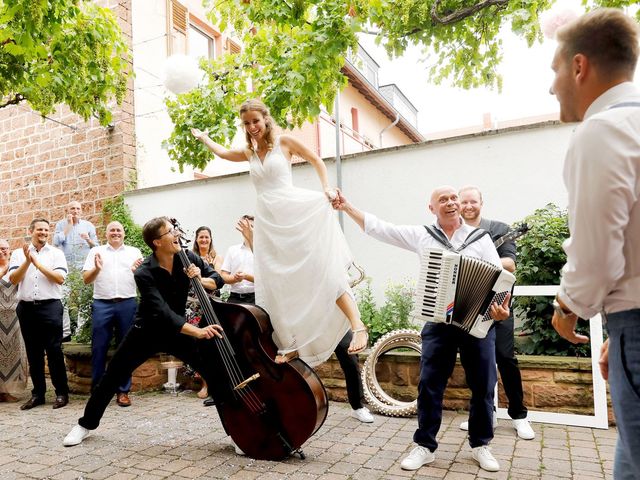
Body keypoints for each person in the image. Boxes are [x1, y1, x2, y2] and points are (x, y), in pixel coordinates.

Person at [333, 186, 510, 472]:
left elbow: (500, 279)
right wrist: (348, 207)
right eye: (444, 200)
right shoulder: (423, 235)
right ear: (432, 208)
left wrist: (501, 308)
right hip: (438, 324)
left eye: (454, 198)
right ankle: (425, 446)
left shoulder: (481, 238)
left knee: (483, 385)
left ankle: (480, 445)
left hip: (476, 324)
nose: (451, 203)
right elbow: (381, 229)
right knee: (429, 386)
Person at [191, 99, 367, 365]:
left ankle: (357, 325)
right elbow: (224, 153)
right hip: (269, 223)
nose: (252, 127)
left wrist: (326, 188)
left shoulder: (284, 143)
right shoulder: (249, 154)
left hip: (294, 212)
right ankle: (292, 342)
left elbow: (316, 160)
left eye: (255, 121)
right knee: (280, 283)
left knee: (322, 267)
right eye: (247, 123)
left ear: (265, 119)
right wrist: (205, 138)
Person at [548, 9, 640, 479]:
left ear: (580, 66)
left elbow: (597, 258)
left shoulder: (601, 131)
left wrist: (569, 306)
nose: (552, 86)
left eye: (555, 70)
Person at [63, 216, 226, 447]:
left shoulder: (187, 257)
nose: (176, 234)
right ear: (157, 242)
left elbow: (218, 279)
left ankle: (237, 431)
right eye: (170, 231)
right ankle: (84, 425)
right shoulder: (143, 272)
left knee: (215, 374)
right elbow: (161, 312)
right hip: (147, 331)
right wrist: (198, 332)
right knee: (112, 377)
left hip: (178, 332)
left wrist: (200, 278)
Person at [458, 186, 535, 440]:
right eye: (464, 202)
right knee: (475, 362)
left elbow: (510, 264)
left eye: (473, 202)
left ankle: (519, 416)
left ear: (481, 203)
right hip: (469, 303)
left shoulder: (499, 229)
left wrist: (474, 258)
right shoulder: (455, 232)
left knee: (504, 356)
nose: (468, 206)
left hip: (498, 303)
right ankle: (484, 414)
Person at [8, 219, 70, 410]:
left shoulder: (56, 253)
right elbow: (13, 279)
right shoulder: (19, 254)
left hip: (50, 306)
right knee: (33, 353)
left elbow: (59, 278)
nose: (43, 232)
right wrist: (28, 261)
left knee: (54, 351)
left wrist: (38, 264)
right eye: (39, 229)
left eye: (46, 229)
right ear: (31, 231)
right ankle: (38, 394)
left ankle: (61, 393)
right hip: (26, 308)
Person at [82, 221, 143, 408]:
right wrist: (97, 268)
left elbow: (145, 278)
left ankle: (123, 391)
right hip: (102, 304)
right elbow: (86, 279)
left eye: (118, 230)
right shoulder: (96, 252)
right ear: (106, 233)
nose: (115, 233)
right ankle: (98, 390)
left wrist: (137, 272)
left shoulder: (134, 252)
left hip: (127, 303)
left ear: (123, 234)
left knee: (126, 349)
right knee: (99, 348)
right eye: (112, 230)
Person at [186, 225, 222, 401]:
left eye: (207, 237)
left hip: (212, 303)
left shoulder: (217, 258)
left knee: (213, 341)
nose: (204, 240)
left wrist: (204, 275)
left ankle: (218, 383)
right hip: (193, 304)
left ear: (211, 239)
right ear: (196, 239)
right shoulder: (190, 259)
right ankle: (205, 383)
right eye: (201, 237)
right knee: (197, 343)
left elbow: (219, 278)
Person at [0, 239, 28, 402]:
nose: (3, 251)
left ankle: (7, 391)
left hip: (14, 317)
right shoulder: (5, 270)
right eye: (0, 248)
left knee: (12, 355)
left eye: (5, 248)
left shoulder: (15, 267)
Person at [220, 215, 256, 305]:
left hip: (254, 298)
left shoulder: (260, 251)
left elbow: (264, 279)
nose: (248, 229)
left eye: (251, 226)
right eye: (245, 226)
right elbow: (223, 276)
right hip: (234, 298)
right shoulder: (232, 250)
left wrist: (246, 276)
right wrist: (235, 278)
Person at [54, 200, 99, 270]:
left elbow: (96, 247)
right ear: (67, 211)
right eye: (72, 208)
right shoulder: (60, 225)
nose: (75, 211)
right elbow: (56, 242)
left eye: (78, 209)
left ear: (81, 211)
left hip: (84, 266)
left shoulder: (88, 225)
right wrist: (69, 226)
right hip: (67, 265)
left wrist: (88, 240)